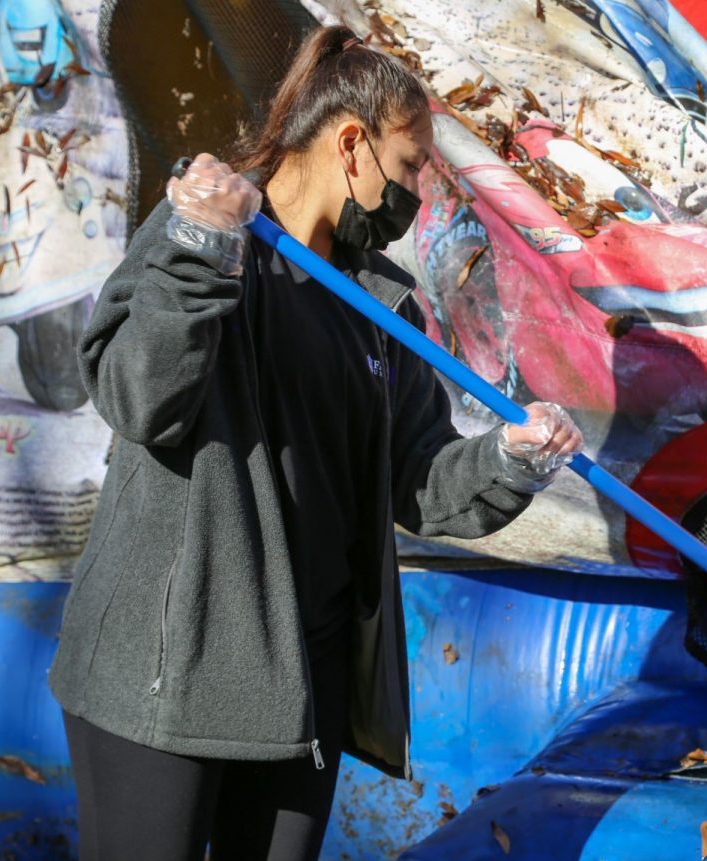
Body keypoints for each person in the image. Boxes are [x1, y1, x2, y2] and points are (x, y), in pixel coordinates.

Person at [48, 24, 582, 861]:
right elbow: (140, 399)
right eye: (409, 166)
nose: (415, 192)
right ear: (351, 146)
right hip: (170, 672)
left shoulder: (376, 303)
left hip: (302, 682)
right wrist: (202, 249)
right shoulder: (211, 231)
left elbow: (422, 483)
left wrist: (514, 456)